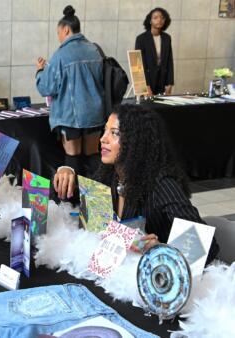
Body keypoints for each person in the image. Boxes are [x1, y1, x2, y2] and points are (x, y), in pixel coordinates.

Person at [53, 104, 219, 263]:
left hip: (159, 279)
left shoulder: (161, 185)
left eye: (114, 133)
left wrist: (162, 249)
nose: (103, 139)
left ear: (136, 141)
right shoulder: (110, 175)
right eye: (105, 131)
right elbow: (81, 212)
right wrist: (66, 173)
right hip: (117, 273)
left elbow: (206, 246)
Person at [36, 5, 105, 177]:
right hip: (96, 115)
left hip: (71, 117)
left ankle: (73, 202)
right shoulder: (95, 49)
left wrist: (40, 71)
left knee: (72, 157)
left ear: (66, 29)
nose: (58, 37)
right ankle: (97, 203)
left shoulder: (61, 55)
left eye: (58, 32)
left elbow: (46, 88)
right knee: (93, 154)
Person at [135, 7, 174, 96]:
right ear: (150, 20)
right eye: (155, 17)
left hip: (162, 81)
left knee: (162, 109)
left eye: (162, 17)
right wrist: (146, 86)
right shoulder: (141, 39)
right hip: (146, 81)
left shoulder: (167, 38)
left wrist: (170, 83)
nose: (159, 20)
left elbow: (169, 61)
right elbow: (139, 65)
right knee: (146, 108)